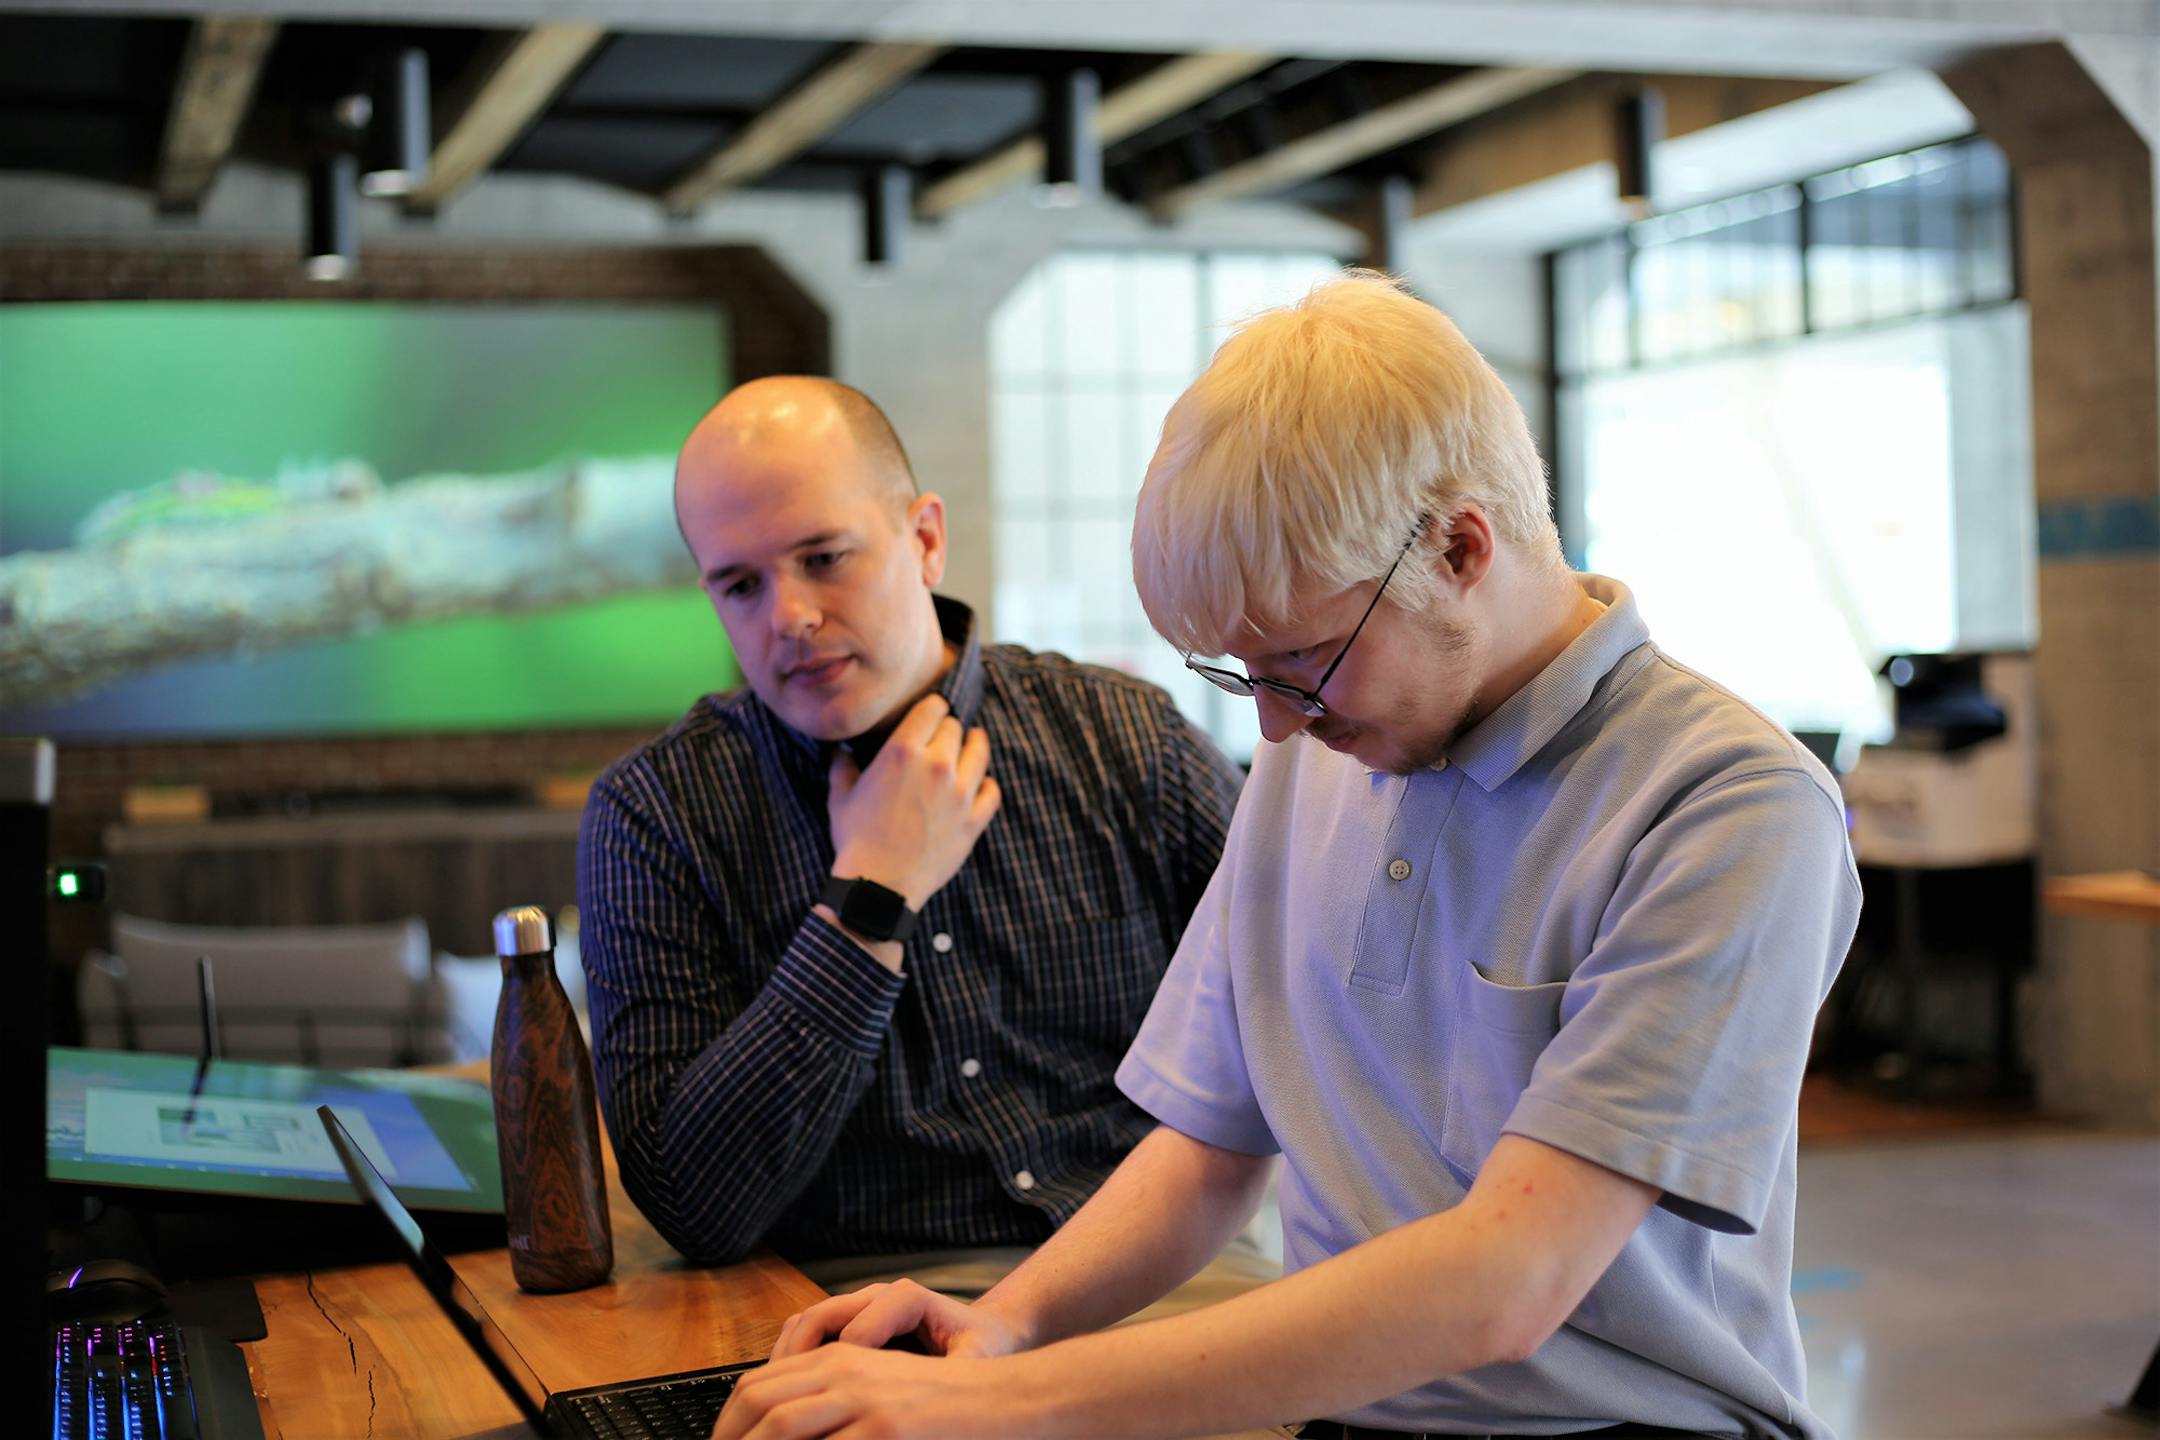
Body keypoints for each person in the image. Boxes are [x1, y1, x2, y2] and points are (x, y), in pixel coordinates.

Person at [716, 274, 1863, 1440]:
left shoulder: (1728, 808)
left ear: (1462, 547)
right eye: (1239, 674)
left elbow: (1509, 1281)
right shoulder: (1324, 749)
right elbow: (1213, 1144)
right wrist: (999, 1330)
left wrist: (999, 1406)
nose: (1270, 724)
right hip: (1342, 1412)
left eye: (1301, 662)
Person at [577, 376, 1256, 1300]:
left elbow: (1307, 1032)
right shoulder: (658, 816)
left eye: (824, 557)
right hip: (858, 1314)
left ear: (925, 538)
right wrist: (871, 895)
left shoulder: (1124, 741)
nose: (789, 617)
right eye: (740, 585)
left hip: (1159, 1275)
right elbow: (696, 1210)